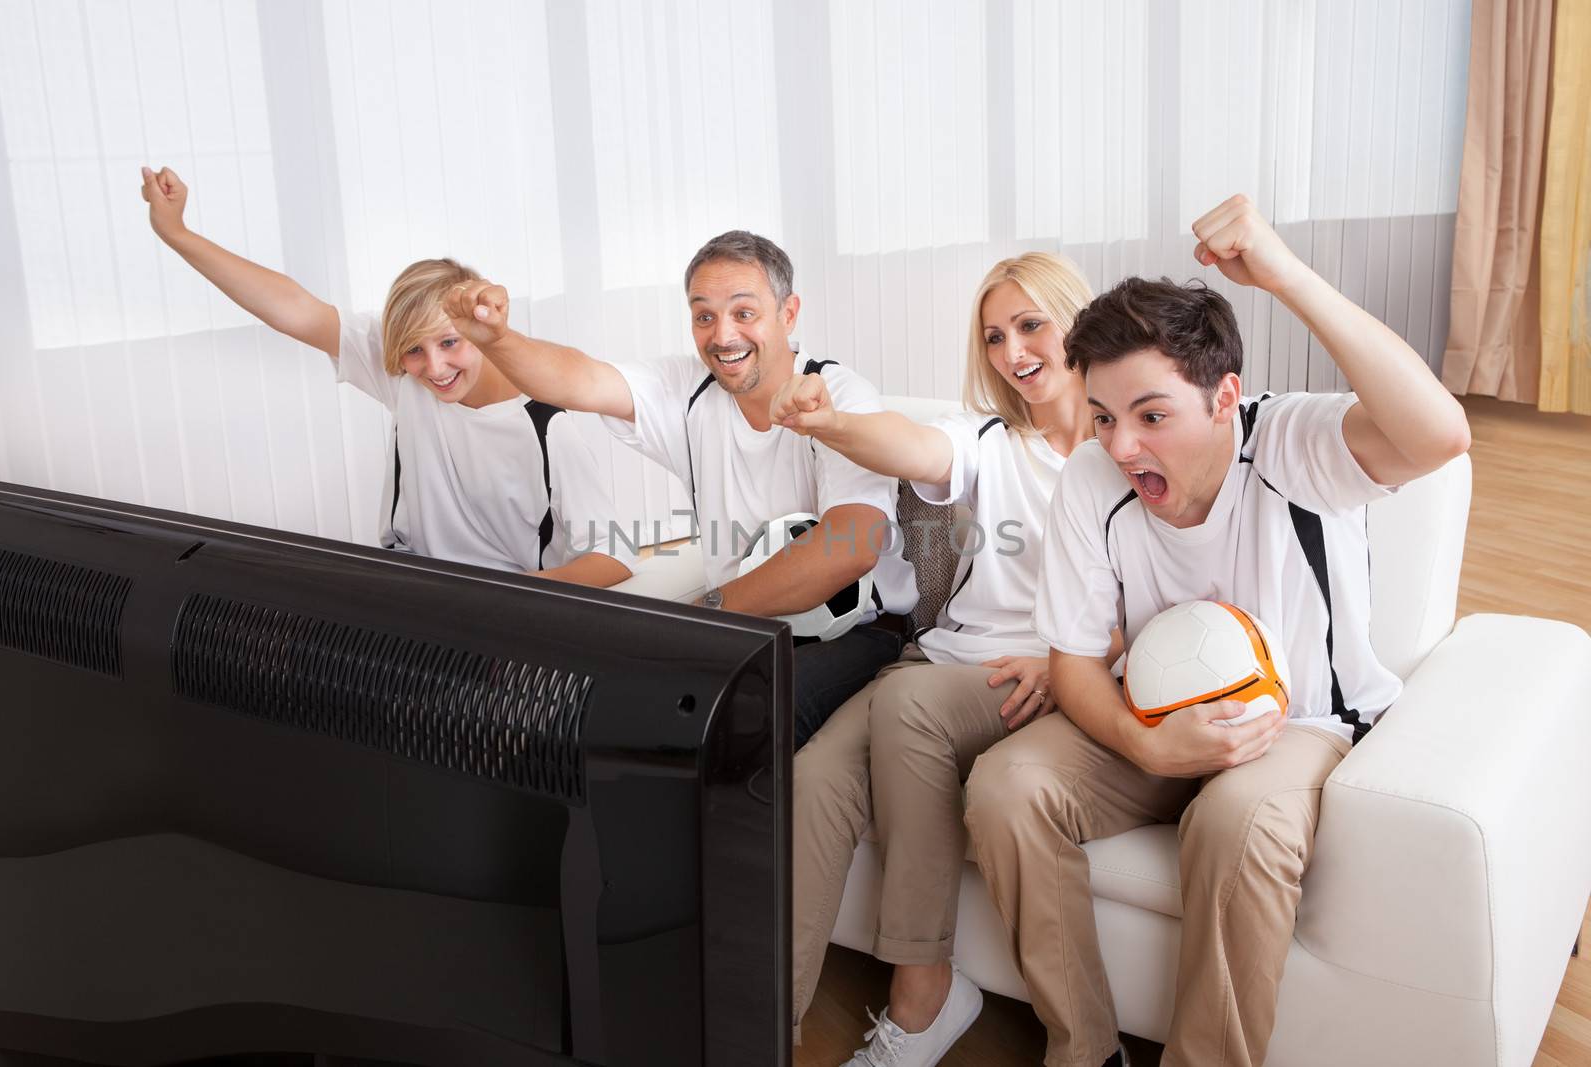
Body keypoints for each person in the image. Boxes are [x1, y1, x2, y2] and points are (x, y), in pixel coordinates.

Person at [963, 194, 1472, 1067]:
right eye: (1104, 416)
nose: (1123, 446)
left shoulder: (1290, 443)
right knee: (1006, 786)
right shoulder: (1092, 478)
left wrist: (1280, 271)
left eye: (1152, 415)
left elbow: (1440, 433)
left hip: (1300, 726)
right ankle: (1081, 1049)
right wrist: (1140, 741)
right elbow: (1076, 662)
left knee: (1234, 822)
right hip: (1150, 722)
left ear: (1225, 397)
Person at [774, 253, 1108, 1067]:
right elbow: (915, 448)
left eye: (1031, 325)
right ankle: (758, 1022)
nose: (1011, 351)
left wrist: (1073, 664)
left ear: (1080, 323)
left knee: (905, 706)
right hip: (950, 659)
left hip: (1038, 676)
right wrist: (832, 423)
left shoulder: (1126, 443)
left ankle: (921, 993)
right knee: (815, 778)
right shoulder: (990, 440)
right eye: (994, 336)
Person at [439, 231, 918, 745]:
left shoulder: (838, 396)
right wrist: (497, 340)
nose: (722, 335)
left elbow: (850, 547)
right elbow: (580, 381)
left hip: (857, 634)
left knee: (740, 720)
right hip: (744, 630)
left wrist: (706, 612)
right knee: (601, 703)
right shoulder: (687, 390)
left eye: (744, 312)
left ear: (788, 312)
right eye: (704, 316)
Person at [139, 166, 631, 586]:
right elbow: (293, 308)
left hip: (502, 613)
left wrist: (511, 597)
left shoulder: (548, 425)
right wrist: (178, 233)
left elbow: (616, 555)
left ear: (479, 328)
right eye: (414, 350)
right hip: (408, 592)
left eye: (449, 343)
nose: (434, 368)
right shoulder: (404, 376)